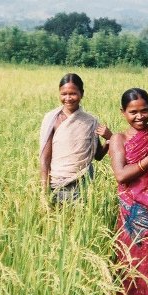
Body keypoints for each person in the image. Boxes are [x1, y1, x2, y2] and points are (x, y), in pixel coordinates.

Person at [107, 88, 148, 295]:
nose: (140, 116)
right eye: (133, 112)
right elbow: (121, 174)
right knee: (132, 266)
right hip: (131, 218)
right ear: (123, 112)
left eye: (144, 110)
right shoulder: (119, 139)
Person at [38, 73, 110, 204]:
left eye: (72, 93)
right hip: (57, 183)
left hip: (83, 183)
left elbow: (98, 156)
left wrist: (109, 139)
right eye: (63, 94)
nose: (68, 98)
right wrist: (44, 190)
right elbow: (45, 158)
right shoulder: (52, 119)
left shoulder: (90, 121)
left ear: (81, 93)